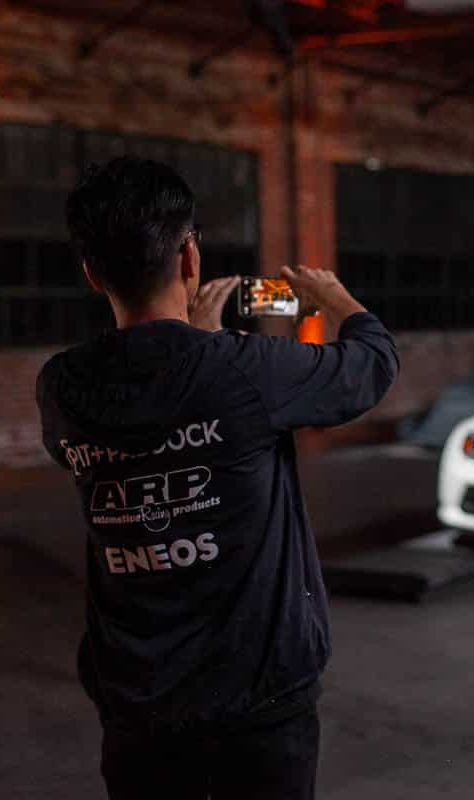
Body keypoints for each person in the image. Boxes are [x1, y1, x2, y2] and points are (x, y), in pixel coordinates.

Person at [36, 156, 398, 799]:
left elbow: (148, 411)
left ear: (91, 272)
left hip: (136, 698)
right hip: (257, 697)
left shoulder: (62, 386)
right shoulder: (246, 372)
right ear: (188, 259)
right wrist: (333, 296)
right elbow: (371, 364)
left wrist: (196, 348)